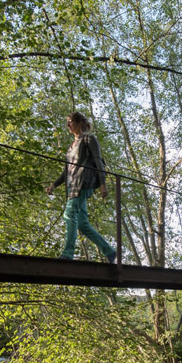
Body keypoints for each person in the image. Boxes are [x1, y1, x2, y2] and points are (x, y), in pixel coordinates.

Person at [46, 112, 116, 262]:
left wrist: (103, 184)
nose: (68, 125)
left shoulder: (89, 139)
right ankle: (109, 251)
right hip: (72, 187)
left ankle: (68, 254)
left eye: (70, 121)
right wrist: (54, 185)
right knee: (83, 224)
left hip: (84, 182)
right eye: (68, 122)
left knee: (69, 215)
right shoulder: (71, 147)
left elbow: (98, 161)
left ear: (79, 123)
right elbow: (66, 171)